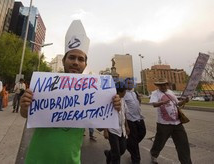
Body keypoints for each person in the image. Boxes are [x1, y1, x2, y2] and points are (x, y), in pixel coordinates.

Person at [19, 20, 122, 164]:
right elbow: (26, 115)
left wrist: (113, 108)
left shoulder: (94, 91)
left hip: (71, 160)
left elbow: (100, 125)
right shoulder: (45, 85)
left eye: (81, 59)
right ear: (64, 61)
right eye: (72, 57)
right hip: (36, 160)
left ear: (85, 65)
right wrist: (24, 105)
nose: (76, 62)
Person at [149, 78, 191, 164]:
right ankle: (154, 154)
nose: (163, 86)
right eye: (161, 85)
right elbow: (154, 104)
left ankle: (186, 162)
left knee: (183, 144)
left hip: (177, 123)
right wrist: (162, 102)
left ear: (167, 84)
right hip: (163, 124)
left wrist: (184, 101)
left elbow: (177, 104)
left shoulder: (171, 92)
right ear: (158, 86)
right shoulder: (155, 93)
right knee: (159, 142)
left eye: (165, 84)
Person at [103, 81, 130, 164]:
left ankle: (109, 154)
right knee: (117, 154)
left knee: (122, 149)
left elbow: (124, 114)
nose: (125, 93)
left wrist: (127, 126)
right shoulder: (109, 101)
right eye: (125, 91)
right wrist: (105, 130)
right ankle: (112, 158)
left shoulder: (123, 100)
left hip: (122, 130)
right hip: (112, 130)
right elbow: (105, 116)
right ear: (120, 91)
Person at [124, 78, 146, 164]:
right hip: (130, 120)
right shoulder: (123, 94)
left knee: (142, 133)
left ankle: (127, 144)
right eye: (128, 83)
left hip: (139, 118)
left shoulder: (134, 93)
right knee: (133, 141)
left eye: (132, 83)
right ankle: (136, 159)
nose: (131, 85)